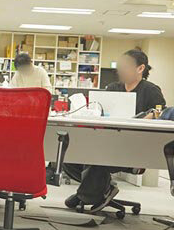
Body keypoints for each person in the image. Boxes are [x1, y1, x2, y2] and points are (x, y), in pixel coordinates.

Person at [63, 49, 167, 211]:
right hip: (108, 140)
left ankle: (87, 195)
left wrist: (149, 116)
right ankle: (101, 189)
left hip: (133, 147)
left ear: (140, 68)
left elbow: (161, 112)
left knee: (99, 159)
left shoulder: (151, 90)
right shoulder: (113, 88)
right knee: (70, 156)